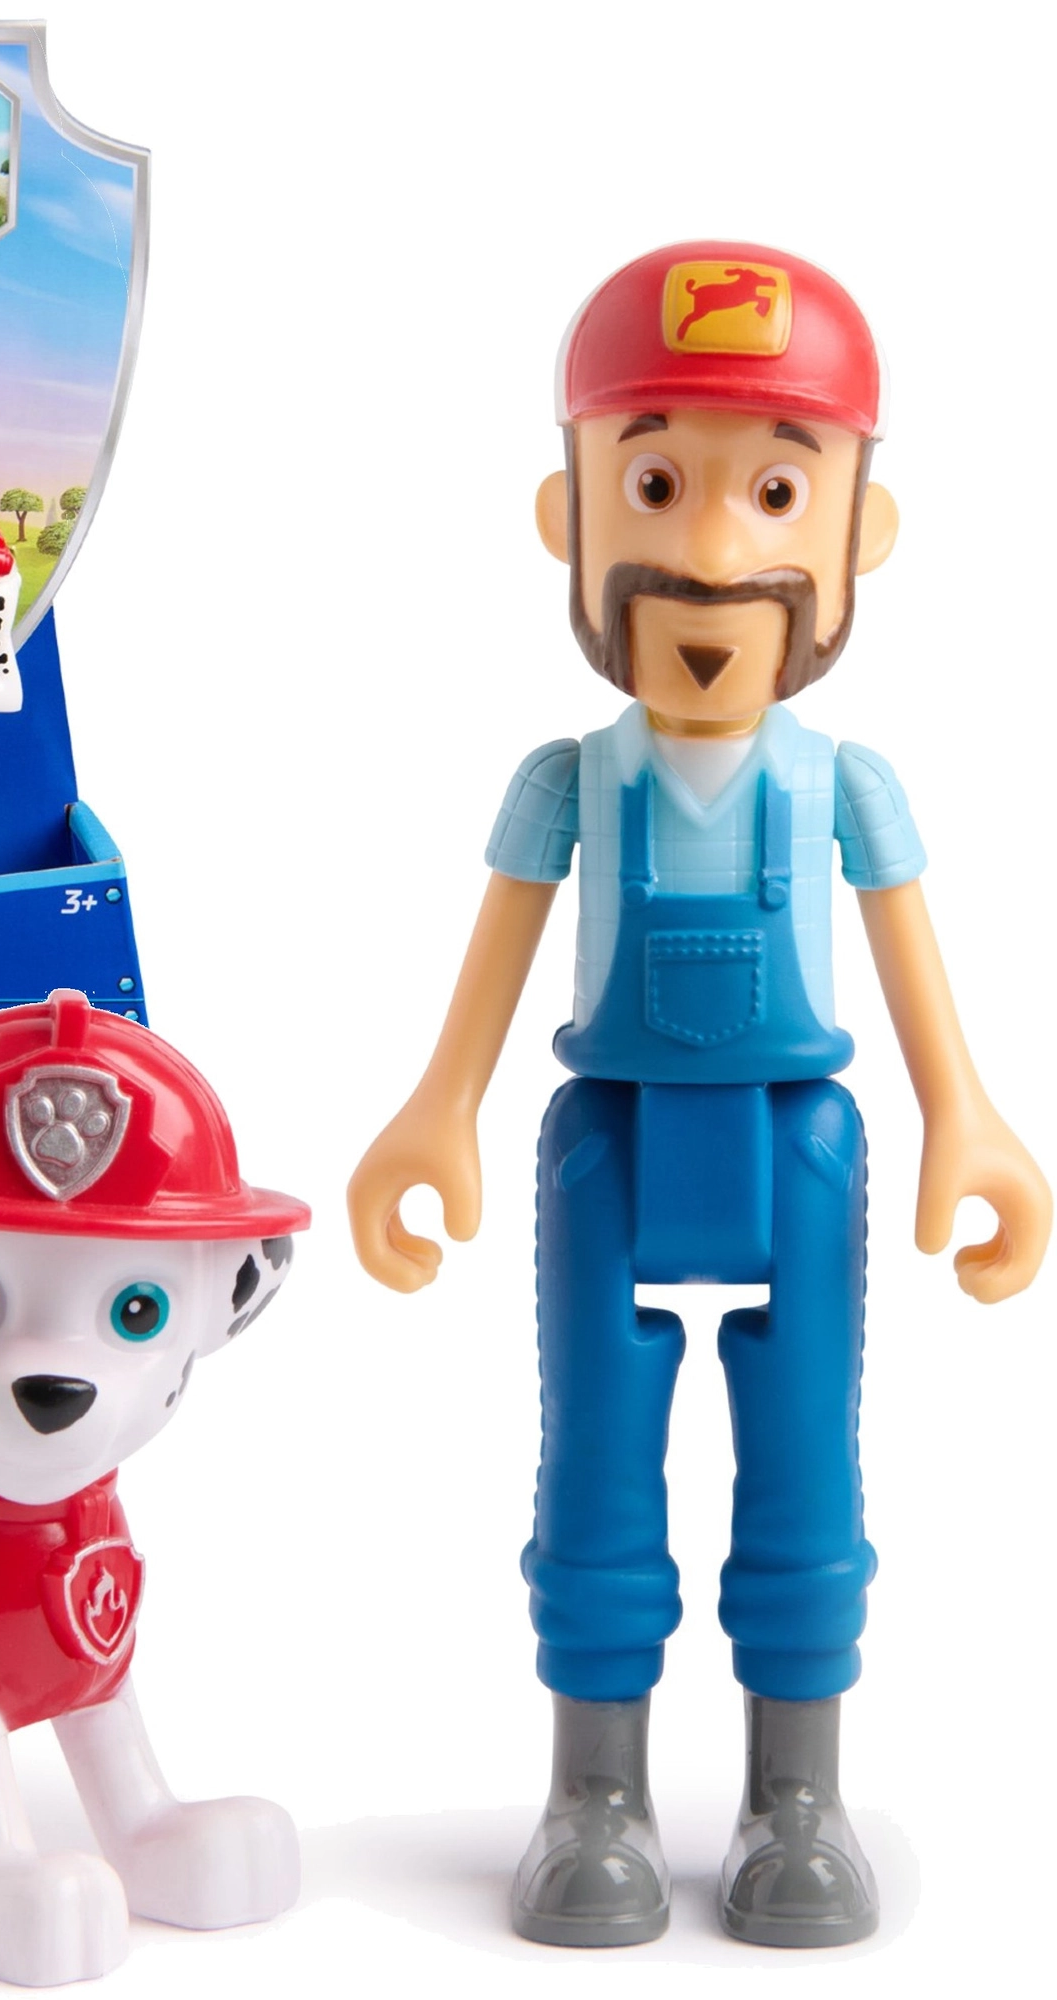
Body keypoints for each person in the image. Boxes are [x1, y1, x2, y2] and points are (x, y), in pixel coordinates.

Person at [347, 241, 1050, 1948]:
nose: (718, 555)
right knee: (596, 1472)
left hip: (803, 1152)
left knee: (806, 1473)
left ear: (862, 534)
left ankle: (796, 1795)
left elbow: (916, 978)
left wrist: (968, 1120)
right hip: (607, 1150)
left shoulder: (845, 785)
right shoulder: (567, 782)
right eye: (657, 485)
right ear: (570, 516)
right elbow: (496, 969)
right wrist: (436, 1110)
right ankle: (593, 1793)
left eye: (778, 492)